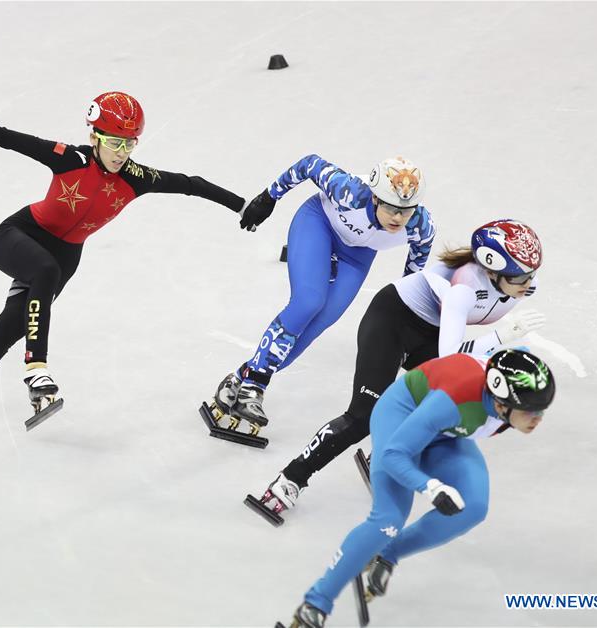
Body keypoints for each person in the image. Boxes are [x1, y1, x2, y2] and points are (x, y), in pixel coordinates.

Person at [0, 84, 246, 438]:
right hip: (18, 237)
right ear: (94, 136)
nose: (121, 153)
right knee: (44, 269)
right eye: (114, 142)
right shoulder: (70, 159)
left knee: (3, 337)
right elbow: (4, 137)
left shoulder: (135, 178)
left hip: (62, 260)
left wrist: (243, 206)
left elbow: (191, 183)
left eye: (129, 144)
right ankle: (37, 369)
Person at [252, 218, 546, 520]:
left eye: (531, 274)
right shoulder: (465, 289)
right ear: (492, 269)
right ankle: (291, 478)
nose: (528, 283)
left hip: (428, 333)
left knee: (450, 398)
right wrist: (501, 338)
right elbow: (450, 360)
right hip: (391, 323)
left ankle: (390, 448)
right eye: (521, 276)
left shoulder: (518, 283)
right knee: (363, 416)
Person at [282, 349, 557, 627]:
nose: (538, 419)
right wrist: (431, 487)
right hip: (402, 417)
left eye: (542, 410)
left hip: (446, 432)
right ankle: (315, 604)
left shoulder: (507, 390)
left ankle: (387, 554)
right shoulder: (452, 400)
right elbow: (393, 455)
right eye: (532, 411)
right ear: (500, 405)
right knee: (388, 520)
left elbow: (516, 358)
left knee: (472, 507)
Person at [203, 155, 435, 442]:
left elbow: (412, 279)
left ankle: (241, 377)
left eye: (406, 209)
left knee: (323, 319)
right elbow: (309, 164)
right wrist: (268, 197)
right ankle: (256, 385)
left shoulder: (421, 227)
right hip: (319, 224)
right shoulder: (349, 192)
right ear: (374, 198)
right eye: (390, 207)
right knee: (309, 302)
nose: (398, 217)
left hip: (357, 254)